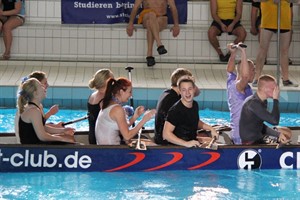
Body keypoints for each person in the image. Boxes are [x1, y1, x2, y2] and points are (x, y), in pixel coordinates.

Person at [95, 77, 156, 145]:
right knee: (151, 145)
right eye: (129, 92)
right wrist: (144, 120)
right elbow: (127, 136)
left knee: (147, 142)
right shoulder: (117, 109)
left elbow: (123, 128)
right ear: (121, 92)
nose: (131, 95)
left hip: (105, 149)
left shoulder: (108, 104)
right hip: (112, 151)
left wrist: (135, 116)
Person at [163, 76, 218, 147]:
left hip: (192, 143)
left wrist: (211, 128)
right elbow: (166, 134)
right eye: (184, 90)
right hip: (179, 148)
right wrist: (185, 143)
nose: (187, 93)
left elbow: (195, 121)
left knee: (216, 144)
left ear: (194, 89)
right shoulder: (175, 111)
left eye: (190, 89)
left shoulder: (194, 104)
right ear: (179, 91)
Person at [253, 0, 298, 87]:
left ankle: (286, 79)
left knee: (284, 51)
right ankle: (257, 78)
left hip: (284, 21)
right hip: (267, 21)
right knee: (262, 50)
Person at [17, 78, 75, 144]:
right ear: (35, 94)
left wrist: (63, 130)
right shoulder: (33, 111)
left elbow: (43, 128)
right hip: (33, 149)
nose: (44, 87)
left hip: (35, 145)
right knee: (69, 139)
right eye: (41, 86)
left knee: (69, 137)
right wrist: (62, 138)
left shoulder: (34, 108)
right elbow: (42, 136)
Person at [239, 74, 292, 145]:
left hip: (259, 137)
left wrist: (278, 134)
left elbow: (259, 125)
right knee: (286, 135)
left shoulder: (263, 101)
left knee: (286, 133)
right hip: (251, 143)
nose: (276, 91)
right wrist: (275, 99)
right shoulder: (253, 103)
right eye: (273, 88)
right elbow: (274, 121)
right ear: (264, 89)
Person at [126, 0, 180, 67]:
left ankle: (149, 54)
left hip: (161, 17)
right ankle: (159, 44)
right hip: (147, 16)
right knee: (151, 14)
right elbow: (135, 7)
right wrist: (130, 23)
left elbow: (173, 8)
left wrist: (176, 25)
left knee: (150, 24)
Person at [14, 71, 62, 143]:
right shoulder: (31, 108)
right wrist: (61, 137)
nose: (47, 85)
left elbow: (39, 125)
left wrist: (57, 128)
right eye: (44, 83)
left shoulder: (35, 104)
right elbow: (41, 132)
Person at [154, 68, 199, 145]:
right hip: (165, 141)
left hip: (158, 136)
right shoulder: (175, 101)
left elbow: (197, 92)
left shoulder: (167, 93)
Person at [226, 43, 255, 144]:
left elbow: (229, 69)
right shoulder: (238, 87)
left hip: (243, 132)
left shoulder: (231, 80)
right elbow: (245, 76)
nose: (254, 73)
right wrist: (243, 52)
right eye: (253, 70)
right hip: (242, 136)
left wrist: (233, 53)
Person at [250, 1, 293, 65]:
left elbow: (291, 11)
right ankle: (264, 56)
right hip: (265, 19)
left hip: (282, 20)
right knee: (261, 29)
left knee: (290, 31)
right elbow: (254, 10)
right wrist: (253, 26)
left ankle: (284, 56)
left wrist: (290, 25)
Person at [87, 69, 114, 144]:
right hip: (103, 138)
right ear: (108, 81)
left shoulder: (92, 95)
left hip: (92, 135)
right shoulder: (105, 98)